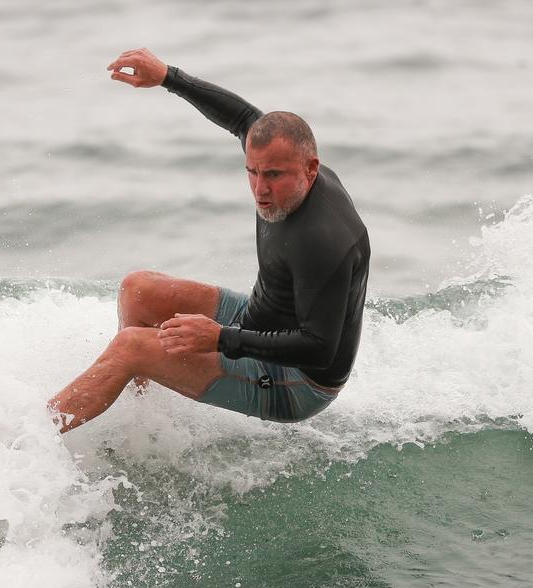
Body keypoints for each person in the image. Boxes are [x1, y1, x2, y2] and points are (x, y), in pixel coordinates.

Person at [48, 48, 370, 433]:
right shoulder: (284, 166)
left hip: (296, 381)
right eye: (252, 172)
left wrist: (221, 338)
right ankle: (140, 419)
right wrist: (169, 76)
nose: (260, 189)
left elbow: (320, 349)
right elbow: (241, 118)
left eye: (273, 176)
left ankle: (26, 439)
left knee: (130, 346)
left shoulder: (324, 240)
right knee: (137, 289)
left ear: (311, 169)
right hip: (257, 319)